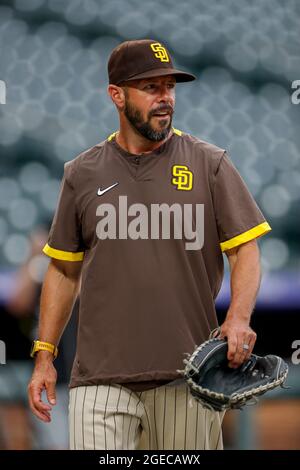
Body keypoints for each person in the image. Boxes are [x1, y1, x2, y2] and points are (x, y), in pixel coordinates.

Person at [28, 39, 271, 450]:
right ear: (117, 95)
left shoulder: (209, 163)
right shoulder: (82, 173)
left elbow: (245, 250)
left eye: (170, 87)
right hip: (99, 381)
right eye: (151, 87)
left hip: (188, 377)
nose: (165, 99)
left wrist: (239, 318)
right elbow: (64, 270)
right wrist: (44, 354)